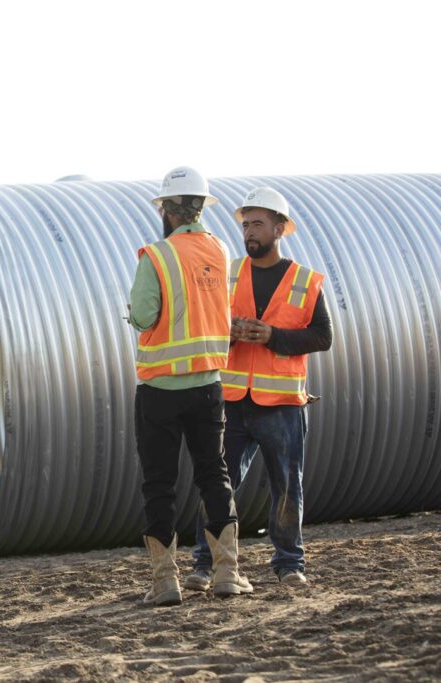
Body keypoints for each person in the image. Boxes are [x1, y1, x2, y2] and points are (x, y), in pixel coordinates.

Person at [184, 187, 333, 591]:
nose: (249, 232)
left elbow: (323, 337)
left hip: (282, 405)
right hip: (231, 401)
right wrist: (229, 335)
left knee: (287, 487)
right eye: (245, 224)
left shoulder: (306, 281)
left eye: (258, 224)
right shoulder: (227, 274)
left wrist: (272, 336)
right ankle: (204, 563)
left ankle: (289, 563)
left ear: (280, 228)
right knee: (217, 485)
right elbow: (204, 327)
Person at [129, 166, 253, 606]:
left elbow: (143, 315)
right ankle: (226, 574)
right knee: (214, 475)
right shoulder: (220, 250)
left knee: (159, 483)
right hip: (208, 386)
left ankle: (165, 583)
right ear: (201, 208)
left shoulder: (156, 255)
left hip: (160, 389)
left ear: (169, 209)